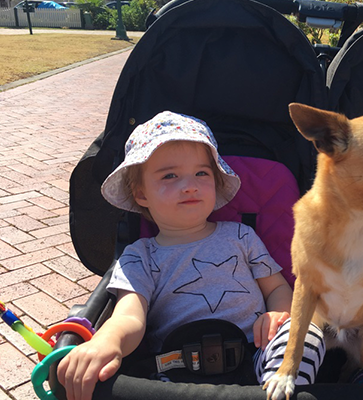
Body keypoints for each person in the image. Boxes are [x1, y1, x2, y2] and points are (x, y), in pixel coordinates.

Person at [57, 111, 325, 400]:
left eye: (202, 173)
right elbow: (129, 317)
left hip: (259, 355)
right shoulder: (140, 255)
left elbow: (277, 287)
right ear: (142, 194)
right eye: (170, 175)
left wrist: (278, 313)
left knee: (307, 332)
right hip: (176, 372)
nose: (190, 185)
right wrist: (108, 341)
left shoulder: (241, 236)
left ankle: (279, 389)